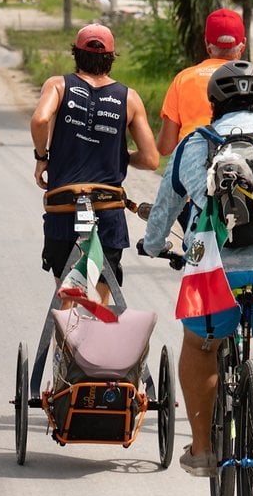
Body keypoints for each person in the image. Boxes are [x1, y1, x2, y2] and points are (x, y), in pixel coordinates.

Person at [141, 61, 253, 476]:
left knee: (200, 344)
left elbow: (163, 213)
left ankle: (204, 448)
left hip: (211, 262)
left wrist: (152, 246)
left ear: (213, 103)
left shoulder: (194, 143)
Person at [30, 24, 159, 298]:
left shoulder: (58, 85)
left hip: (63, 206)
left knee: (67, 295)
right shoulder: (130, 98)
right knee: (100, 297)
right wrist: (122, 156)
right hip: (107, 209)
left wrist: (42, 158)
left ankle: (66, 338)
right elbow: (150, 160)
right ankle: (95, 337)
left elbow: (40, 119)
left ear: (76, 54)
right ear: (112, 58)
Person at [156, 8, 253, 157]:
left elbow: (165, 147)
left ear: (207, 44)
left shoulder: (183, 79)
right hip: (247, 158)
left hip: (194, 159)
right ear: (243, 44)